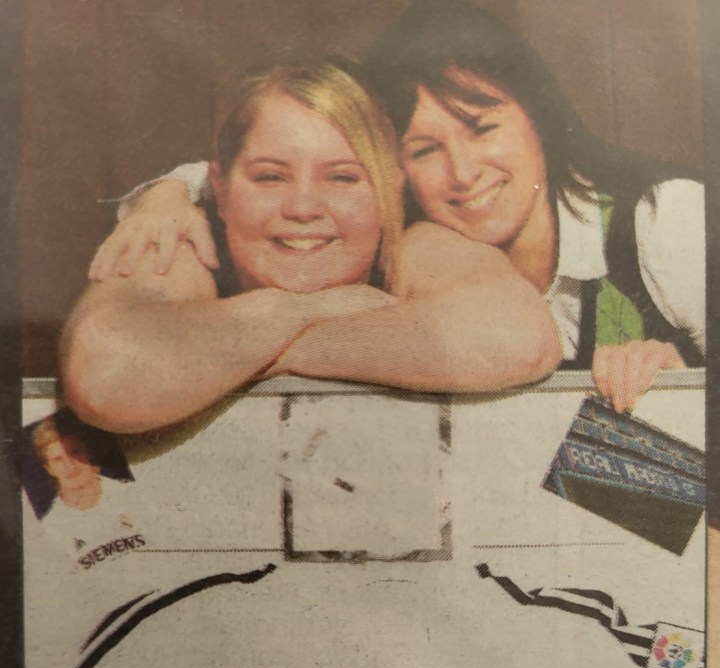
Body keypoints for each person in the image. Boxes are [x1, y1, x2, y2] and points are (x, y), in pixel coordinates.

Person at [95, 0, 705, 414]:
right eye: (425, 148)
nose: (463, 173)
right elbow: (282, 163)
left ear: (541, 119)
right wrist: (166, 194)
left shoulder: (661, 220)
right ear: (396, 171)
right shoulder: (407, 227)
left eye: (482, 128)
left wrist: (691, 382)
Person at [64, 57, 560, 435]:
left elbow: (521, 337)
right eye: (270, 177)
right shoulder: (183, 241)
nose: (303, 207)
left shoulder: (414, 248)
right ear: (220, 186)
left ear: (387, 190)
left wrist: (258, 351)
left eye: (342, 178)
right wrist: (312, 308)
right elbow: (107, 375)